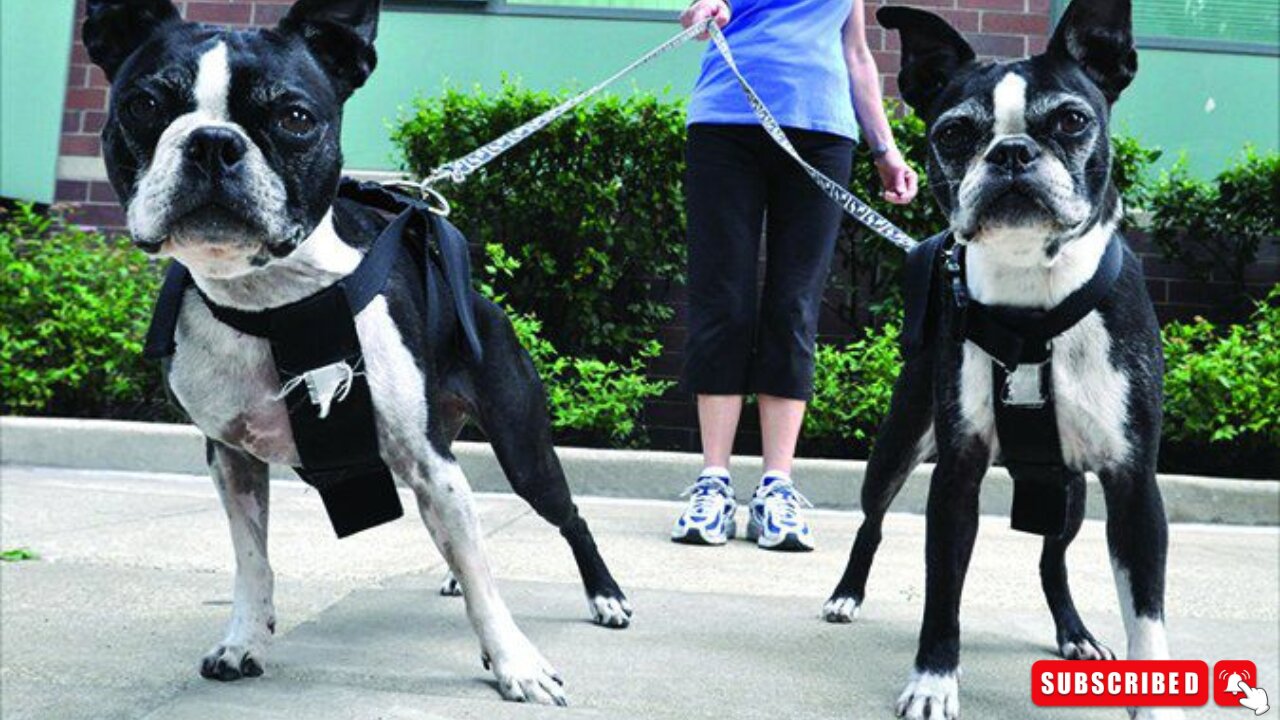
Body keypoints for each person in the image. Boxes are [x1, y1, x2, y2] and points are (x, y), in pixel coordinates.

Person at [670, 0, 918, 551]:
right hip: (726, 123)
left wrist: (886, 148)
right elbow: (697, 15)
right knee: (723, 301)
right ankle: (713, 483)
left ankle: (776, 487)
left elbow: (855, 54)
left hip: (822, 132)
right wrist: (701, 15)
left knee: (794, 306)